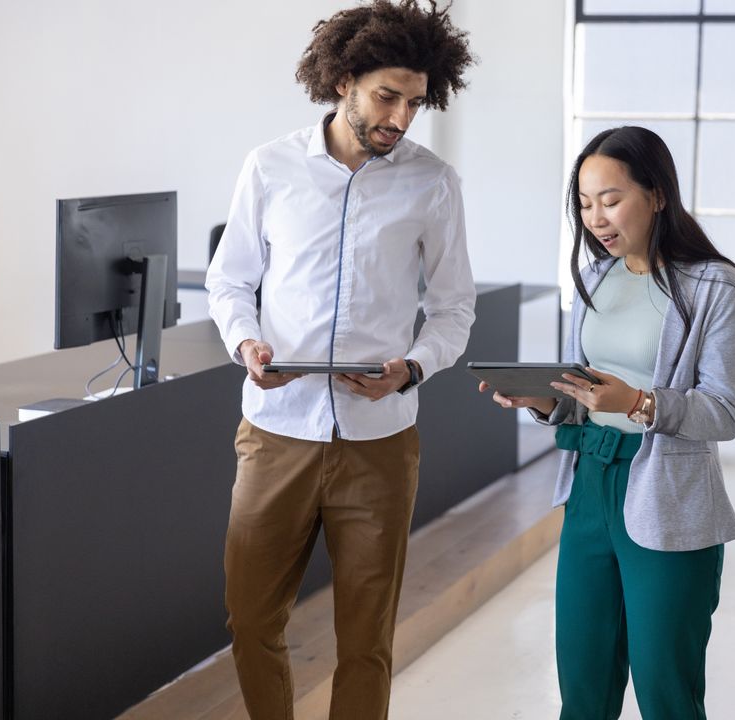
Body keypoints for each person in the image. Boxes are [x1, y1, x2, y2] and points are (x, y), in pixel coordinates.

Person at [204, 2, 476, 718]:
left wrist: (410, 369)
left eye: (415, 103)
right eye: (388, 97)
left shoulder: (433, 183)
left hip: (380, 444)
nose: (400, 118)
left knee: (366, 637)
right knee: (252, 618)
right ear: (345, 80)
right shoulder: (270, 167)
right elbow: (229, 280)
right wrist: (245, 343)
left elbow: (453, 310)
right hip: (276, 433)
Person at [481, 125, 735, 719]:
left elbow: (725, 412)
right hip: (588, 486)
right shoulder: (595, 278)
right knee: (583, 684)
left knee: (665, 692)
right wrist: (545, 402)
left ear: (657, 195)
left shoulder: (716, 286)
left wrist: (639, 403)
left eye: (610, 200)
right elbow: (586, 391)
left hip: (668, 492)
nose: (596, 218)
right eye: (583, 204)